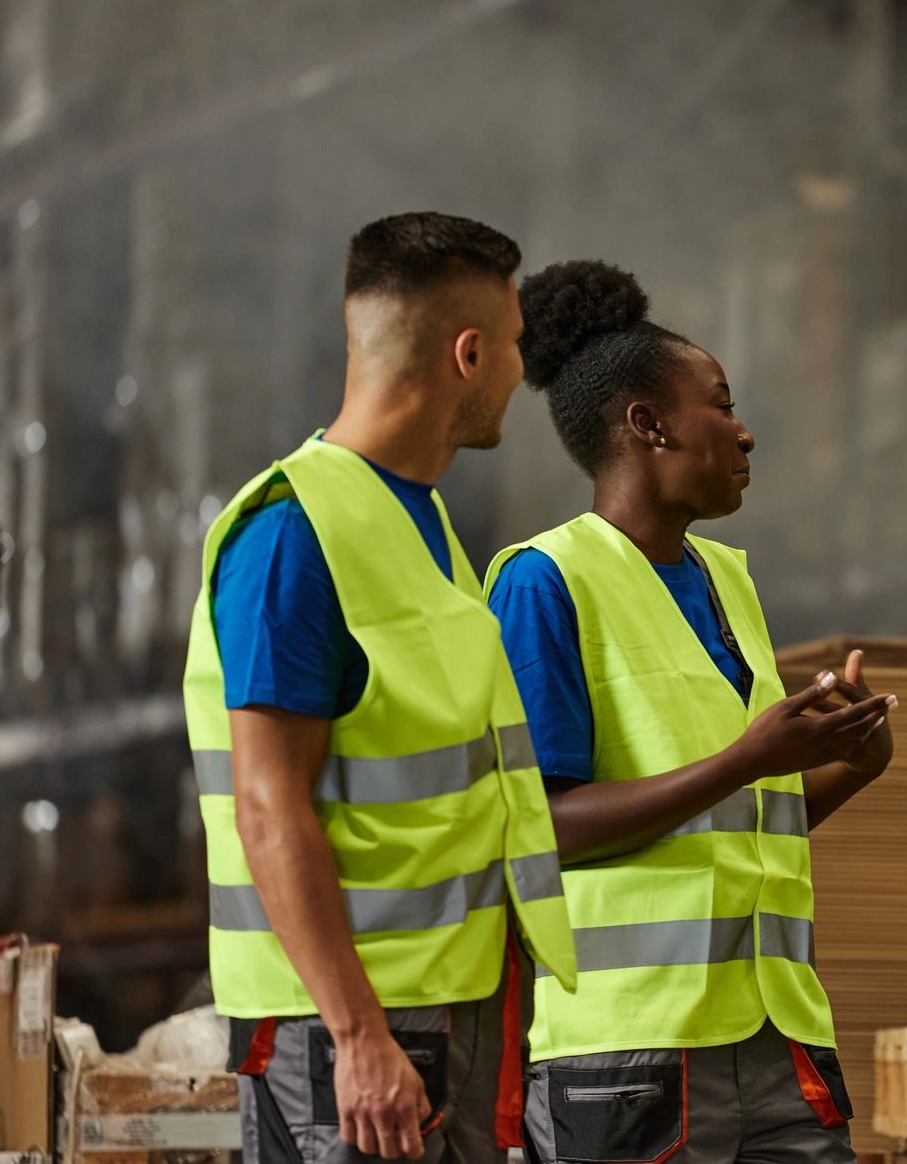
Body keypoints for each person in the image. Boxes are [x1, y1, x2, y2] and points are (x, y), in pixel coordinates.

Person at [182, 214, 578, 1164]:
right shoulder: (293, 532)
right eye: (516, 346)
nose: (522, 372)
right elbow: (270, 808)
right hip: (350, 1034)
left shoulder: (422, 527)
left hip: (438, 1015)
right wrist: (360, 1035)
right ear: (468, 353)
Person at [487, 260, 893, 1164]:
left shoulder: (728, 584)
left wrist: (849, 763)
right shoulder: (544, 581)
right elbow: (539, 828)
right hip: (628, 1051)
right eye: (722, 404)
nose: (746, 433)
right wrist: (748, 758)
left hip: (776, 1028)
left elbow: (740, 824)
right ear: (648, 424)